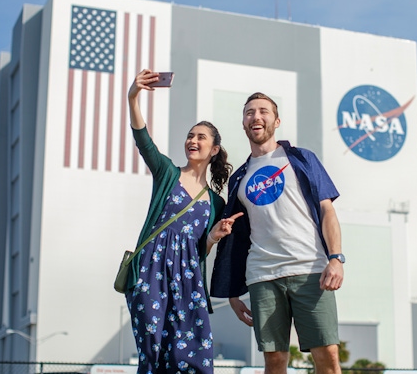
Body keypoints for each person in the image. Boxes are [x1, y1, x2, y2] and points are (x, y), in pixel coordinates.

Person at [211, 92, 345, 374]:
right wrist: (233, 291)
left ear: (276, 120)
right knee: (273, 360)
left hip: (310, 270)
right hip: (263, 275)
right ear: (244, 123)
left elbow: (327, 211)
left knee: (328, 356)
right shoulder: (240, 178)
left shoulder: (301, 159)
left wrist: (335, 257)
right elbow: (235, 239)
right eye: (249, 112)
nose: (256, 117)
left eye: (263, 111)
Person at [124, 69, 242, 374]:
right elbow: (143, 141)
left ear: (214, 149)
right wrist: (133, 96)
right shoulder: (168, 173)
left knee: (192, 354)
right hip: (151, 271)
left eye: (201, 137)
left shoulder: (216, 202)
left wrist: (214, 236)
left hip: (189, 281)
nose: (193, 140)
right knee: (152, 352)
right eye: (190, 135)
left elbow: (199, 251)